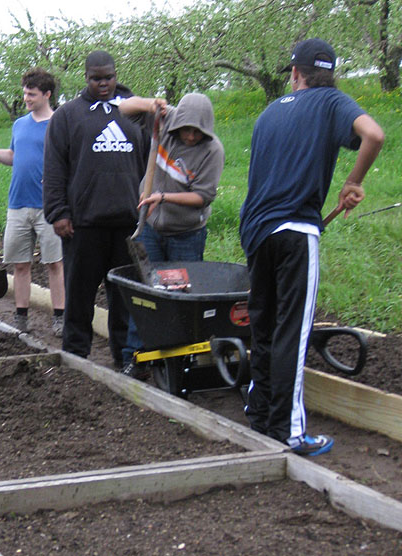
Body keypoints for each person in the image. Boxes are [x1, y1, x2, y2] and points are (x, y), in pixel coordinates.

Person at [239, 38, 384, 456]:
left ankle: (260, 415)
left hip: (256, 230)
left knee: (263, 325)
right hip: (296, 232)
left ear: (294, 72)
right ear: (328, 74)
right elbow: (373, 134)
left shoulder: (268, 114)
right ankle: (289, 431)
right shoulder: (331, 100)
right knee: (292, 331)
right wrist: (353, 182)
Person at [43, 50, 149, 368]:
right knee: (79, 292)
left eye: (109, 78)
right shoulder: (68, 116)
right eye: (96, 79)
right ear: (86, 78)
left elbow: (148, 160)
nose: (103, 84)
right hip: (83, 223)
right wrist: (58, 212)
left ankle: (124, 356)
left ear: (117, 75)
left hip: (128, 222)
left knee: (123, 295)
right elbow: (54, 167)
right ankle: (76, 354)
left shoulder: (135, 113)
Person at [117, 93, 225, 378]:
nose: (190, 137)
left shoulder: (212, 151)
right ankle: (137, 358)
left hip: (186, 235)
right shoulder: (163, 123)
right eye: (186, 130)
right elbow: (123, 110)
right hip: (150, 227)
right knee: (145, 293)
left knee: (181, 299)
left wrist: (163, 197)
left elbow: (202, 197)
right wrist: (148, 104)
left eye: (197, 132)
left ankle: (180, 364)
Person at [0, 68, 65, 336]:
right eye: (24, 93)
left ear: (47, 94)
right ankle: (21, 317)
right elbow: (13, 155)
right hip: (18, 204)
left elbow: (71, 161)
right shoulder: (20, 124)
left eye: (31, 94)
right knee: (20, 264)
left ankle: (59, 316)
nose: (26, 98)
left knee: (54, 263)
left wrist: (60, 183)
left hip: (50, 206)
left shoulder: (60, 123)